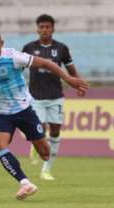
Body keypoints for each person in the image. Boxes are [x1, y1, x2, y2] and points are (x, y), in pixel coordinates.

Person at [0, 29, 88, 200]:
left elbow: (47, 64)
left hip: (24, 110)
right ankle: (25, 183)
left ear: (1, 44)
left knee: (45, 153)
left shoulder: (13, 57)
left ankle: (36, 142)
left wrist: (68, 79)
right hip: (0, 113)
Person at [22, 14, 85, 181]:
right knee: (40, 128)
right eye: (41, 27)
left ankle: (46, 170)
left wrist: (78, 84)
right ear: (37, 29)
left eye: (47, 27)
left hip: (56, 97)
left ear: (53, 29)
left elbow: (71, 69)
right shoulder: (28, 48)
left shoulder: (62, 49)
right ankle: (36, 146)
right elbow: (18, 71)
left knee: (55, 131)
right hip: (35, 97)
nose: (44, 30)